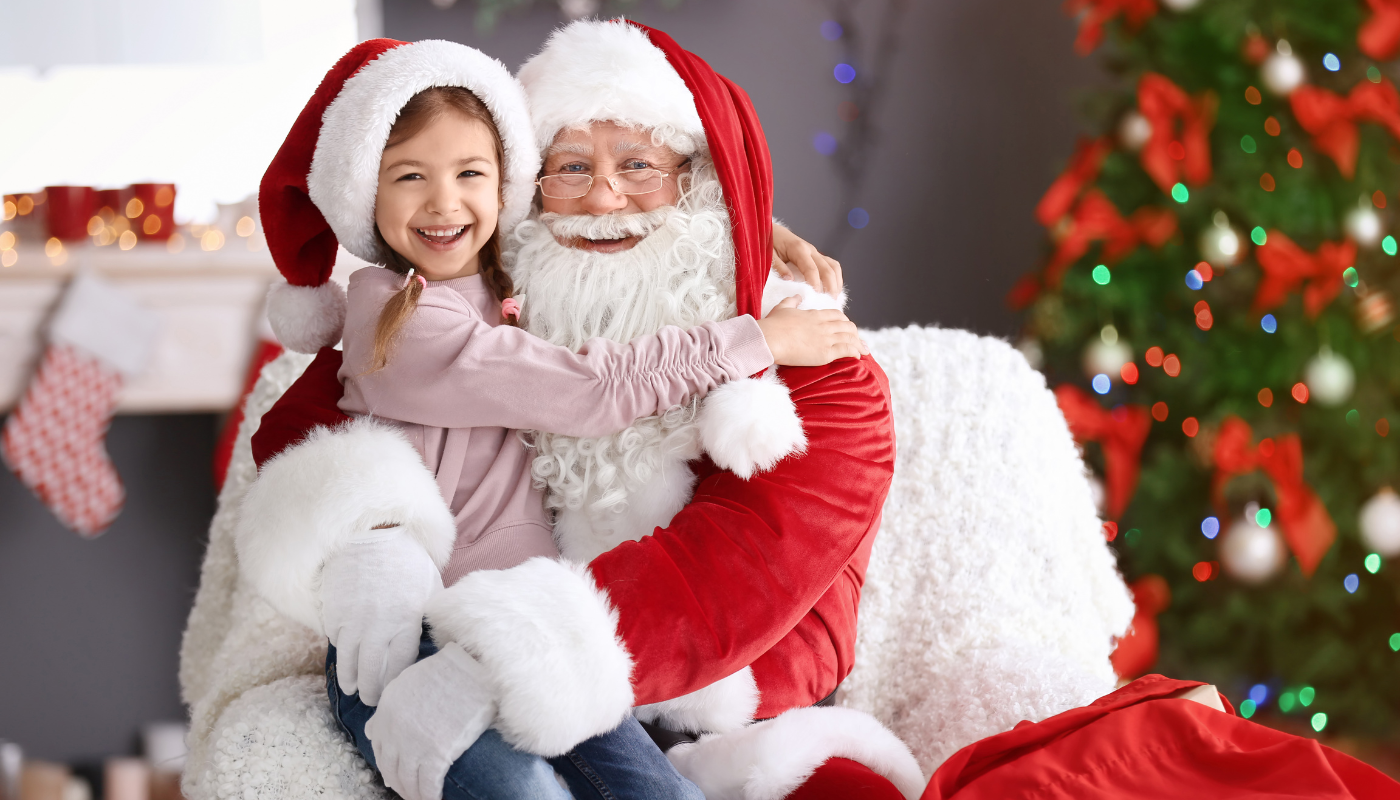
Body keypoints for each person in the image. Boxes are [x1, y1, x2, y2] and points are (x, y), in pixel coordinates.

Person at [245, 20, 919, 800]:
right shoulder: (493, 302)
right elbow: (310, 423)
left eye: (640, 164)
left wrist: (748, 224)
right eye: (569, 166)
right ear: (529, 187)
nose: (602, 198)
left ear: (698, 181)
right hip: (466, 633)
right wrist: (376, 538)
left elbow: (726, 575)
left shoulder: (818, 363)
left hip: (724, 719)